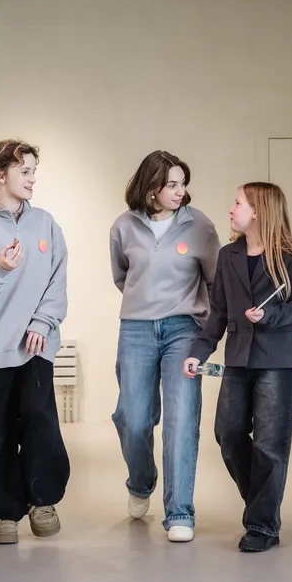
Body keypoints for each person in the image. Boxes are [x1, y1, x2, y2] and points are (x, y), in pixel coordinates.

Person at [184, 182, 292, 553]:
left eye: (238, 203)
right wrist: (199, 351)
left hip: (277, 361)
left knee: (270, 445)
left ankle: (261, 525)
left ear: (258, 211)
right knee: (227, 434)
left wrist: (269, 315)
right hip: (238, 359)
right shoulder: (228, 255)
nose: (231, 208)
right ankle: (262, 505)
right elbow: (219, 312)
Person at [0, 139, 70, 546]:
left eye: (34, 171)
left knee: (41, 424)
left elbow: (57, 282)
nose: (32, 179)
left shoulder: (47, 225)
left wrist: (43, 321)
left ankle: (43, 501)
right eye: (25, 171)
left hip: (35, 346)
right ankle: (4, 513)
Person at [110, 150, 221, 543]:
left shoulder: (200, 226)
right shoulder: (123, 226)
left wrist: (205, 329)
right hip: (136, 329)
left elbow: (214, 281)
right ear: (150, 188)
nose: (180, 191)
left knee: (181, 419)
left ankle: (180, 512)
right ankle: (141, 483)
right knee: (133, 418)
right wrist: (145, 306)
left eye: (182, 183)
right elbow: (122, 277)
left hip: (184, 330)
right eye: (171, 184)